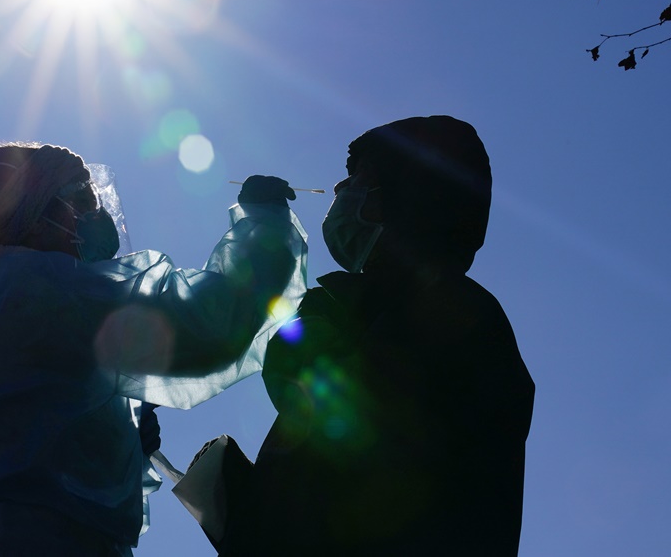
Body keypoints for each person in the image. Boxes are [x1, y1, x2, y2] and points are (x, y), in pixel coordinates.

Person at [0, 129, 307, 556]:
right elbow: (211, 327)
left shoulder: (4, 292)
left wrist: (120, 445)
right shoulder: (50, 292)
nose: (98, 216)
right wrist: (265, 224)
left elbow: (31, 439)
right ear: (37, 210)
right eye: (84, 202)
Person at [215, 116, 534, 556]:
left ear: (397, 196)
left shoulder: (451, 314)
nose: (340, 190)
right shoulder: (392, 302)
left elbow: (339, 418)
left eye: (356, 178)